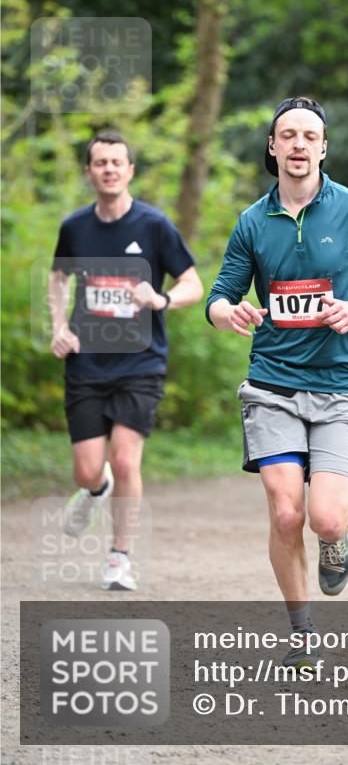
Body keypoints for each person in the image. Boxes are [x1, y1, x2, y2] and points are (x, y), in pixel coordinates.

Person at [206, 97, 348, 665]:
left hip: (342, 386)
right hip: (271, 384)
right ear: (272, 147)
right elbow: (220, 295)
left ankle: (337, 537)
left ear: (323, 148)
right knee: (285, 511)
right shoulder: (253, 221)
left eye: (309, 136)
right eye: (287, 135)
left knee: (323, 517)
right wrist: (230, 312)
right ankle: (301, 632)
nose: (298, 145)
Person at [49, 131, 203, 590]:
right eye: (101, 163)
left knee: (125, 457)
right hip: (86, 363)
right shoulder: (75, 227)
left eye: (118, 162)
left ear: (130, 170)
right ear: (89, 172)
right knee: (87, 468)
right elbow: (58, 279)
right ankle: (96, 489)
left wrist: (162, 299)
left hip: (141, 362)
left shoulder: (154, 226)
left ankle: (120, 557)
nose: (110, 169)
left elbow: (193, 283)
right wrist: (59, 326)